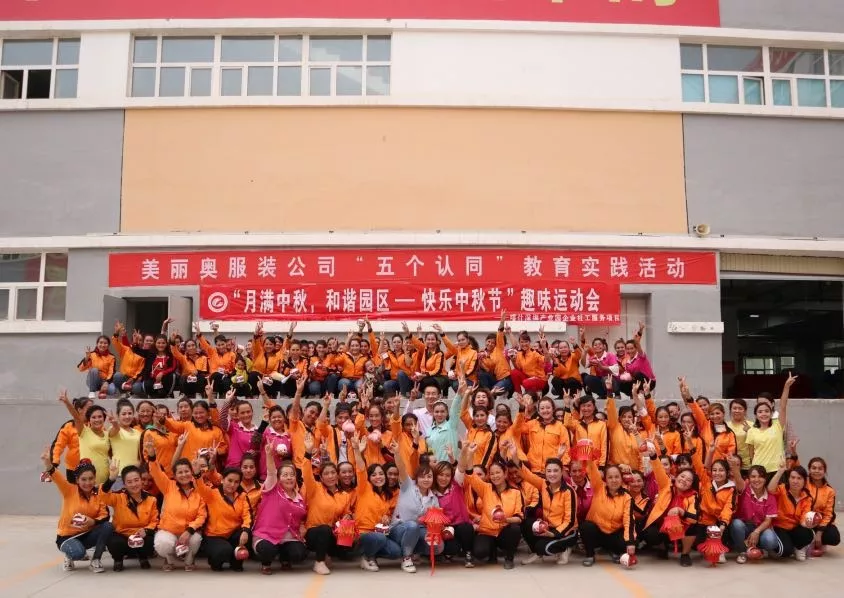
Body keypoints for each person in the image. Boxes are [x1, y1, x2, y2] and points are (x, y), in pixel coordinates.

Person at [39, 448, 112, 573]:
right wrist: (48, 464)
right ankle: (69, 554)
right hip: (67, 537)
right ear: (77, 480)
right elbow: (57, 477)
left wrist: (92, 522)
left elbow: (104, 516)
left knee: (108, 526)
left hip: (86, 535)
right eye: (83, 479)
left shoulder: (98, 494)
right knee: (78, 553)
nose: (87, 483)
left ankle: (95, 560)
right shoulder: (69, 490)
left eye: (91, 478)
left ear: (95, 478)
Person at [143, 434, 206, 571]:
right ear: (175, 476)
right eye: (180, 472)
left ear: (192, 472)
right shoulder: (168, 486)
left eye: (186, 471)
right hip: (169, 531)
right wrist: (152, 456)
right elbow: (156, 472)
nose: (184, 475)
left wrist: (189, 530)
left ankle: (189, 560)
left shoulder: (199, 489)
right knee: (162, 543)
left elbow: (202, 515)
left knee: (196, 539)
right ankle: (169, 559)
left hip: (188, 532)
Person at [514, 444, 578, 566]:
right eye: (549, 471)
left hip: (567, 532)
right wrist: (514, 455)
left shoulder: (569, 491)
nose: (552, 474)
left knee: (543, 547)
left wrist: (553, 534)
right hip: (548, 527)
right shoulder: (543, 484)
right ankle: (537, 552)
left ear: (562, 472)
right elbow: (526, 473)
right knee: (526, 523)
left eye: (556, 471)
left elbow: (570, 521)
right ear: (545, 472)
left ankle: (565, 548)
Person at [463, 445, 524, 569]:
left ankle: (509, 558)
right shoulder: (486, 488)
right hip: (487, 531)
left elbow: (519, 517)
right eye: (492, 474)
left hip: (504, 532)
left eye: (498, 473)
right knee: (479, 553)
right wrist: (470, 455)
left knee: (515, 529)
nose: (495, 476)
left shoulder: (516, 492)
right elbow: (470, 475)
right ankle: (492, 553)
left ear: (505, 473)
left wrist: (506, 519)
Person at [388, 438, 443, 573]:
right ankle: (406, 558)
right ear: (416, 478)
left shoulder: (434, 499)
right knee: (412, 526)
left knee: (438, 546)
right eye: (422, 476)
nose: (426, 479)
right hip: (400, 529)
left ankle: (414, 552)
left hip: (419, 530)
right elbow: (401, 468)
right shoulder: (408, 486)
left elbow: (434, 522)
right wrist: (397, 453)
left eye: (429, 477)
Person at [252, 442, 308, 575]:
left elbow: (302, 517)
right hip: (267, 536)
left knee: (299, 553)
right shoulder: (273, 489)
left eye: (292, 475)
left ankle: (285, 559)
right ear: (279, 478)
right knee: (267, 550)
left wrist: (302, 525)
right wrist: (269, 454)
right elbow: (271, 472)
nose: (289, 478)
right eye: (285, 475)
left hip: (289, 538)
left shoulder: (300, 497)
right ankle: (266, 563)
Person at [302, 432, 353, 575]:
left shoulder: (344, 495)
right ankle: (319, 562)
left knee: (347, 545)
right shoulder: (315, 488)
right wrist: (307, 453)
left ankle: (328, 553)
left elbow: (346, 513)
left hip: (332, 533)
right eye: (326, 474)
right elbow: (306, 473)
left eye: (333, 473)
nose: (330, 476)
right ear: (321, 477)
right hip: (313, 533)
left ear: (337, 475)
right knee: (324, 529)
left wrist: (348, 516)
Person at [641, 446, 700, 567]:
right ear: (676, 477)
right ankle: (662, 546)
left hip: (680, 529)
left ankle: (685, 554)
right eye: (682, 476)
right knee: (649, 533)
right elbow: (659, 470)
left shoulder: (693, 496)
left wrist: (681, 511)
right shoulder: (666, 485)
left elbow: (694, 517)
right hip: (663, 526)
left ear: (691, 485)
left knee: (694, 525)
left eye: (688, 480)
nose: (684, 480)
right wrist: (653, 456)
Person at [352, 434, 401, 571]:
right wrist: (357, 450)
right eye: (373, 475)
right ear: (369, 478)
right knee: (379, 539)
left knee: (396, 552)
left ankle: (372, 555)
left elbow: (389, 514)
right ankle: (366, 557)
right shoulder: (364, 488)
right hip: (362, 533)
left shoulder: (387, 494)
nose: (378, 477)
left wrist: (387, 518)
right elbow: (361, 469)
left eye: (381, 474)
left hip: (379, 533)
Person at [193, 462, 252, 571]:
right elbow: (200, 487)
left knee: (248, 533)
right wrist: (197, 474)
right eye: (230, 480)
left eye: (236, 482)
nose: (232, 484)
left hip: (233, 534)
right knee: (224, 551)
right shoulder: (212, 494)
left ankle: (236, 563)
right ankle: (214, 561)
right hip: (214, 536)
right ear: (222, 480)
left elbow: (247, 516)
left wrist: (245, 530)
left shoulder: (243, 496)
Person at [101, 462, 159, 571]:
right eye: (129, 482)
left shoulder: (151, 499)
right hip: (122, 536)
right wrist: (111, 479)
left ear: (141, 480)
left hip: (141, 536)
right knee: (114, 542)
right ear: (124, 484)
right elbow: (103, 496)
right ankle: (118, 560)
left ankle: (143, 557)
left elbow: (154, 521)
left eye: (136, 480)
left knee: (152, 541)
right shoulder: (118, 497)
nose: (134, 484)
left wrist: (146, 531)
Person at [579, 459, 635, 567]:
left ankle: (613, 551)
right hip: (597, 533)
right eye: (610, 477)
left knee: (628, 541)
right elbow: (592, 470)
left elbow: (628, 520)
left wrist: (630, 543)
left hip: (613, 534)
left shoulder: (627, 497)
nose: (614, 480)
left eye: (617, 477)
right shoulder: (599, 487)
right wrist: (589, 458)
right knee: (586, 526)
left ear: (621, 479)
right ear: (605, 479)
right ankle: (590, 555)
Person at [691, 440, 736, 562]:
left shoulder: (731, 489)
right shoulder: (707, 482)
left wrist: (723, 525)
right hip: (705, 521)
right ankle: (709, 547)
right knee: (699, 545)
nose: (717, 473)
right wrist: (690, 442)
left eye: (721, 470)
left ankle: (720, 550)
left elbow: (728, 508)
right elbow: (698, 465)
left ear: (727, 472)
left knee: (724, 528)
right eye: (715, 470)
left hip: (720, 522)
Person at [728, 458, 779, 563]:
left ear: (765, 479)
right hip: (744, 527)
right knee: (736, 524)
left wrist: (756, 531)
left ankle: (758, 549)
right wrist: (734, 467)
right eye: (753, 476)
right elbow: (738, 478)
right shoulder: (744, 489)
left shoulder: (770, 496)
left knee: (771, 541)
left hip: (760, 528)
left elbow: (768, 521)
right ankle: (742, 551)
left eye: (760, 476)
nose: (757, 480)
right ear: (749, 478)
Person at [433, 443, 475, 567]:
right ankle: (450, 552)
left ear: (451, 477)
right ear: (435, 475)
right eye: (441, 475)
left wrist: (464, 451)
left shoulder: (456, 485)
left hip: (461, 525)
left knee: (466, 528)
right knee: (452, 548)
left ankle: (468, 553)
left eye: (447, 475)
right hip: (445, 528)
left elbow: (461, 466)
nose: (444, 478)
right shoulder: (431, 492)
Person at [747, 373, 793, 477]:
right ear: (756, 415)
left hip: (777, 469)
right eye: (760, 412)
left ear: (771, 413)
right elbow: (751, 455)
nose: (763, 414)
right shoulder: (751, 431)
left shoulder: (778, 425)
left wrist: (786, 387)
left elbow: (783, 406)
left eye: (767, 411)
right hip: (758, 471)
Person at [767, 461, 815, 560]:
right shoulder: (782, 489)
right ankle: (773, 549)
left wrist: (808, 524)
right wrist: (780, 471)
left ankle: (798, 548)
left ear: (804, 481)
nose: (795, 481)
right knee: (785, 552)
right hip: (779, 526)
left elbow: (803, 518)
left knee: (809, 533)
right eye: (792, 477)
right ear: (788, 479)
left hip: (794, 527)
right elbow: (770, 490)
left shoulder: (807, 496)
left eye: (799, 478)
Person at [59, 393, 110, 485]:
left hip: (104, 481)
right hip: (87, 482)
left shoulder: (107, 434)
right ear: (89, 419)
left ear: (104, 418)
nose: (97, 420)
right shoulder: (84, 432)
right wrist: (67, 402)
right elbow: (76, 417)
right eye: (93, 417)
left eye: (100, 417)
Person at [164, 391, 228, 463]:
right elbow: (173, 425)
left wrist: (215, 452)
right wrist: (163, 419)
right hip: (189, 466)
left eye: (201, 412)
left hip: (208, 466)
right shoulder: (188, 425)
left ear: (208, 413)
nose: (198, 416)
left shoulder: (216, 430)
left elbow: (223, 448)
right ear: (192, 414)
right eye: (195, 413)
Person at [517, 394, 570, 473]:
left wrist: (564, 467)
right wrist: (522, 409)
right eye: (542, 408)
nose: (545, 410)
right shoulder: (532, 424)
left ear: (553, 409)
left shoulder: (560, 427)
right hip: (533, 468)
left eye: (548, 408)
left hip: (551, 470)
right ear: (538, 411)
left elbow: (566, 449)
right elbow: (517, 428)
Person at [51, 395, 93, 483]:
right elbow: (58, 445)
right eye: (89, 408)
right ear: (79, 410)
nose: (92, 411)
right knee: (73, 492)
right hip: (73, 469)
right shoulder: (69, 426)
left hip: (92, 468)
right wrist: (55, 462)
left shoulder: (96, 425)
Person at [806, 457, 839, 551]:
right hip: (804, 521)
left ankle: (819, 540)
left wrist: (820, 532)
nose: (817, 471)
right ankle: (808, 541)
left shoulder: (830, 491)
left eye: (820, 468)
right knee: (802, 535)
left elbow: (829, 514)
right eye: (814, 468)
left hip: (820, 522)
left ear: (824, 471)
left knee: (833, 538)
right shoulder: (803, 483)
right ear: (809, 470)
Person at [219, 391, 258, 468]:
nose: (246, 415)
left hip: (249, 470)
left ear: (252, 412)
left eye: (248, 412)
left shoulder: (257, 430)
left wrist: (256, 452)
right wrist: (227, 401)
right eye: (242, 413)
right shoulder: (233, 427)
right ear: (238, 415)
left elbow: (260, 450)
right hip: (233, 468)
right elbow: (222, 418)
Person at [107, 400, 142, 485]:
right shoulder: (114, 429)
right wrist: (115, 424)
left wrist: (138, 465)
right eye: (124, 414)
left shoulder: (138, 432)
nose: (127, 416)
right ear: (118, 415)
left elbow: (140, 454)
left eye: (130, 413)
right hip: (118, 475)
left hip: (135, 475)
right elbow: (115, 430)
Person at [196, 322, 236, 396]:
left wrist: (228, 372)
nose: (221, 347)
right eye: (218, 345)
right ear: (216, 345)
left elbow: (234, 369)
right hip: (214, 377)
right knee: (216, 375)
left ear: (226, 343)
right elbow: (204, 344)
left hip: (226, 377)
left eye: (222, 344)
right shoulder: (212, 352)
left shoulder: (232, 354)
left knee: (226, 381)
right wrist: (199, 335)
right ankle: (213, 395)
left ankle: (225, 396)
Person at [249, 322, 284, 399]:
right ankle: (255, 395)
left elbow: (275, 371)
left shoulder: (277, 357)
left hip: (268, 379)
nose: (268, 346)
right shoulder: (259, 352)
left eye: (271, 344)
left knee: (280, 382)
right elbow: (256, 343)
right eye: (267, 344)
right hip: (258, 377)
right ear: (263, 345)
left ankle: (271, 396)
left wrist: (269, 376)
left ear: (274, 346)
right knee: (253, 375)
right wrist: (256, 334)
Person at [727, 399, 752, 476]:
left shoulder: (751, 425)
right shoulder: (726, 425)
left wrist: (750, 432)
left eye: (740, 408)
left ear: (745, 411)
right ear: (730, 410)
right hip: (730, 464)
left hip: (747, 464)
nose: (737, 411)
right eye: (734, 408)